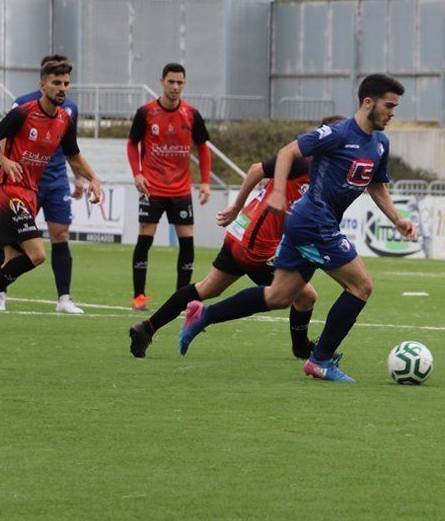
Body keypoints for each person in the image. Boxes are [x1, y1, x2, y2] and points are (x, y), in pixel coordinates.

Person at [178, 74, 415, 382]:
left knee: (278, 296)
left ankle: (202, 315)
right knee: (361, 286)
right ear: (368, 102)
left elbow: (377, 185)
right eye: (389, 105)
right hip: (315, 221)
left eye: (395, 106)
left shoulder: (380, 144)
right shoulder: (338, 133)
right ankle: (320, 360)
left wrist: (396, 219)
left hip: (308, 223)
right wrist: (277, 191)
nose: (393, 112)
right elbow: (290, 151)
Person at [126, 115, 347, 359]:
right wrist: (235, 207)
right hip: (256, 242)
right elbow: (256, 170)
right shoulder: (304, 162)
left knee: (207, 287)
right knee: (305, 296)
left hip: (242, 234)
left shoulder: (324, 169)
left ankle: (147, 328)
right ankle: (301, 347)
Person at [0, 59, 102, 309]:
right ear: (42, 85)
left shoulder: (65, 120)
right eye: (56, 83)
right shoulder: (23, 112)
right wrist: (5, 162)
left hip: (30, 194)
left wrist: (93, 178)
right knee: (37, 255)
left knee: (11, 261)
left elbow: (73, 156)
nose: (62, 88)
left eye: (66, 83)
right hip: (9, 192)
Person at [127, 62, 211, 311]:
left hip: (181, 191)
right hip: (152, 189)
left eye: (180, 82)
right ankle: (139, 296)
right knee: (145, 239)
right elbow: (132, 144)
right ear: (162, 81)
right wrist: (137, 174)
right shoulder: (146, 113)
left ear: (184, 84)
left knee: (187, 242)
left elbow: (203, 148)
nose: (175, 86)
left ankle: (181, 298)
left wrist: (205, 182)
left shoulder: (192, 114)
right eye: (171, 81)